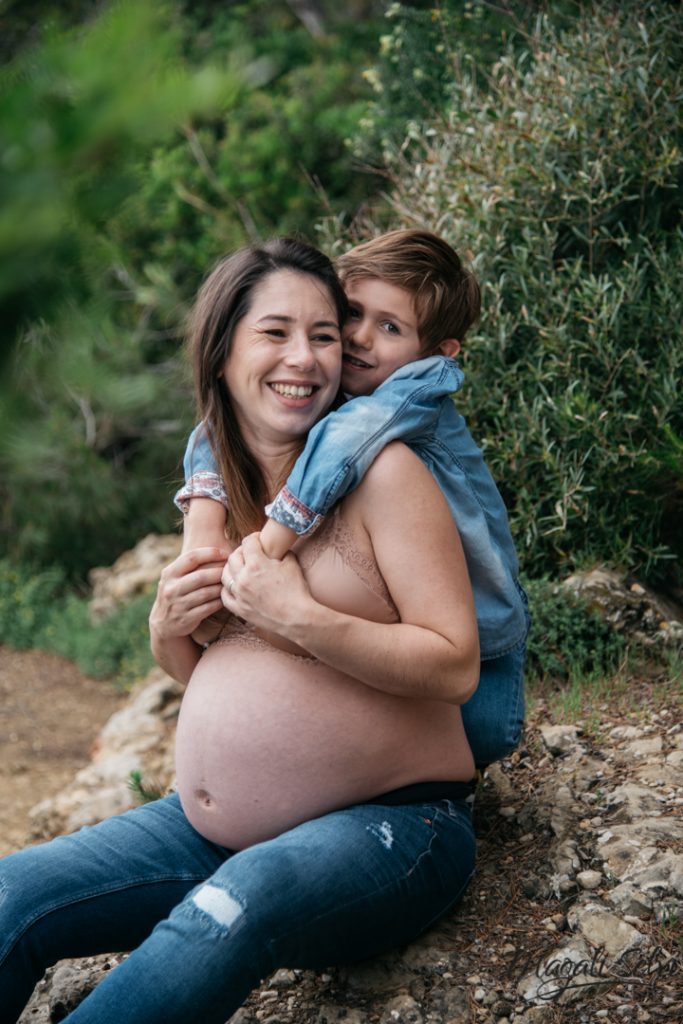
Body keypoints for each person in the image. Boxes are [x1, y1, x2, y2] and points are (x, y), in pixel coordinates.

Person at [0, 238, 480, 1024]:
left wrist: (300, 613)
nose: (306, 356)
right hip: (204, 831)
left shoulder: (385, 473)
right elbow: (224, 675)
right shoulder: (218, 487)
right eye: (276, 332)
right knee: (13, 894)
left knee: (226, 910)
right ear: (222, 350)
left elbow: (455, 664)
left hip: (394, 825)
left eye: (325, 335)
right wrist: (167, 630)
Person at [177, 229, 529, 768]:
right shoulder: (348, 384)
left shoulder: (413, 391)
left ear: (437, 351)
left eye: (390, 327)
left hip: (486, 651)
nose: (360, 338)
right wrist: (204, 521)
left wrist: (271, 544)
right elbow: (219, 423)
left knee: (464, 742)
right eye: (353, 314)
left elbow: (344, 441)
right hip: (408, 640)